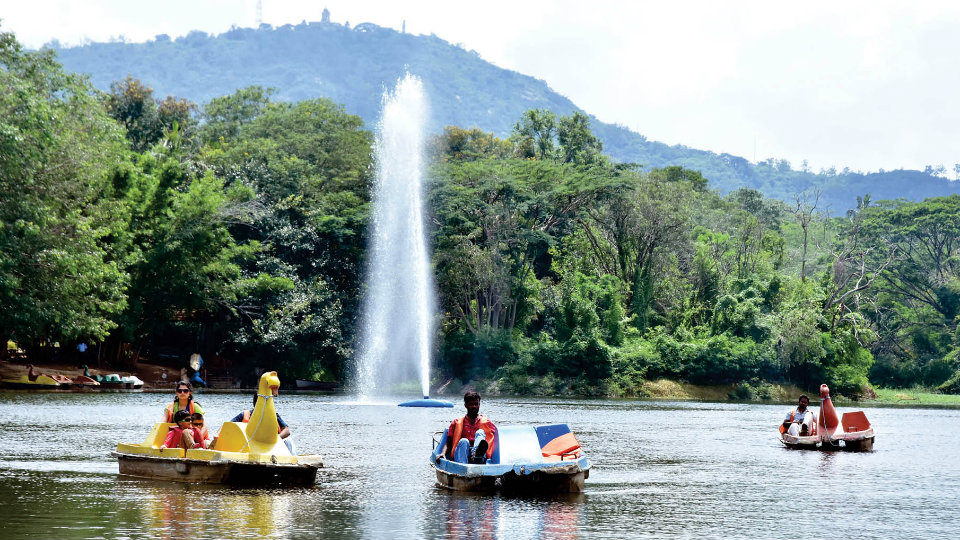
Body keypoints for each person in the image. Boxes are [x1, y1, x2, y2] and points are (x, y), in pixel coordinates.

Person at [229, 391, 295, 453]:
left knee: (288, 441)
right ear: (255, 403)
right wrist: (218, 435)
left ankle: (294, 462)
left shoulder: (274, 415)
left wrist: (277, 439)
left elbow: (287, 431)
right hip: (250, 446)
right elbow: (228, 426)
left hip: (271, 446)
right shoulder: (244, 415)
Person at [444, 391, 497, 464]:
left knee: (480, 432)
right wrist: (443, 453)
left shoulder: (487, 422)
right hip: (461, 455)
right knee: (464, 441)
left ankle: (477, 454)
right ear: (465, 405)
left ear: (479, 405)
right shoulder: (456, 422)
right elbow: (448, 443)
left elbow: (497, 439)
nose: (474, 406)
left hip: (480, 458)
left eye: (476, 404)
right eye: (471, 404)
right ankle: (463, 467)